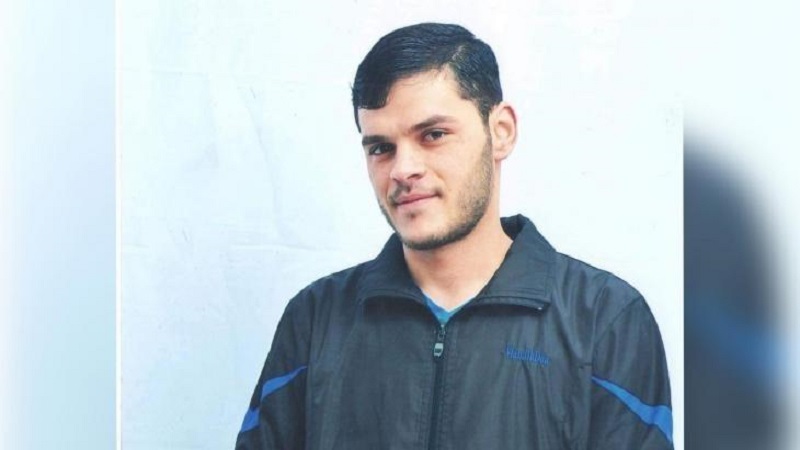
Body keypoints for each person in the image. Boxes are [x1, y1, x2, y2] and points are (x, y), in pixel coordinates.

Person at [235, 22, 673, 449]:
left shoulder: (604, 320)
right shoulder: (316, 319)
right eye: (381, 148)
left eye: (433, 135)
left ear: (500, 132)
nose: (403, 169)